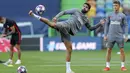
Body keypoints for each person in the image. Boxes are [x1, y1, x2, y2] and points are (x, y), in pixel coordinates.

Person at [28, 3, 105, 73]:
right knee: (52, 25)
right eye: (84, 6)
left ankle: (68, 70)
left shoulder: (86, 19)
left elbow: (91, 28)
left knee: (69, 49)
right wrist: (56, 17)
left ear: (88, 10)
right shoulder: (76, 11)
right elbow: (64, 12)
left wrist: (100, 24)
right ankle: (34, 15)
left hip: (67, 32)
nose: (84, 7)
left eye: (86, 7)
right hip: (65, 25)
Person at [104, 0, 128, 71]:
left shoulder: (122, 15)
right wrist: (105, 35)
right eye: (114, 5)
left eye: (116, 5)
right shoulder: (109, 14)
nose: (115, 7)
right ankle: (107, 66)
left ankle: (122, 66)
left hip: (119, 35)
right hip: (111, 35)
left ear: (119, 6)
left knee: (122, 50)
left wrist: (126, 35)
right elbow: (106, 25)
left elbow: (126, 25)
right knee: (108, 50)